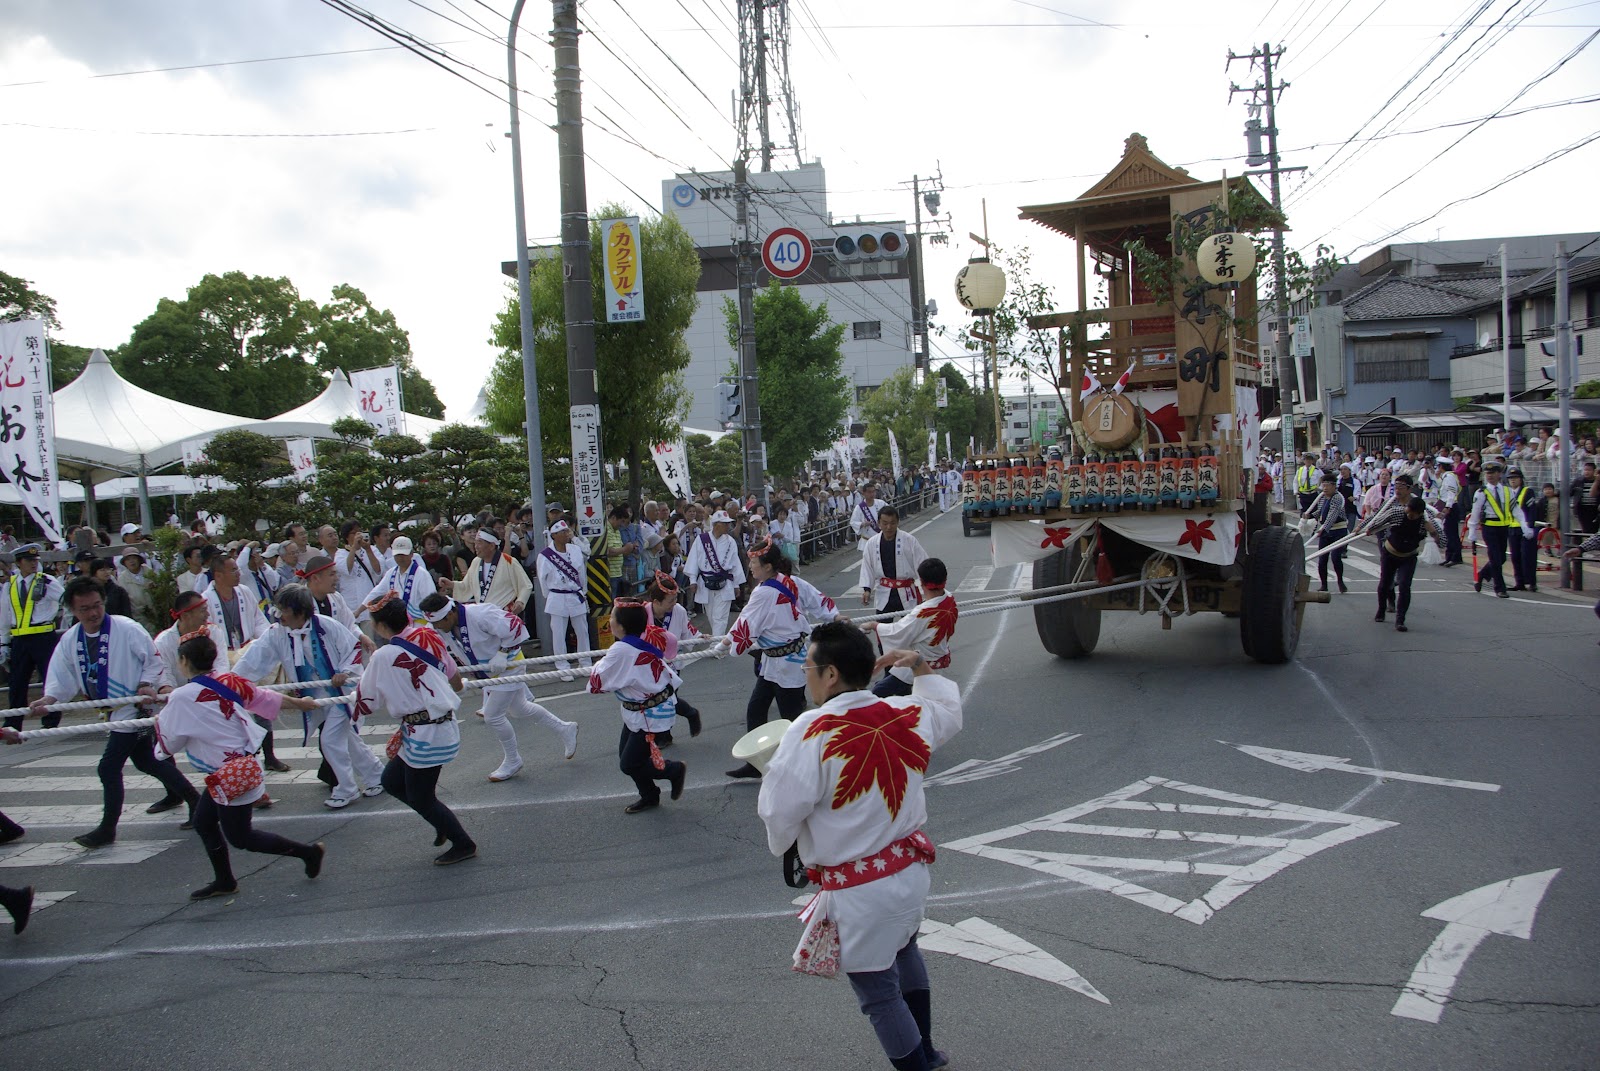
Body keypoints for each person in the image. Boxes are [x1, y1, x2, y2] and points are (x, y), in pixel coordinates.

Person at [757, 622, 963, 1071]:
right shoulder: (904, 712)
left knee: (878, 994)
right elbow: (947, 709)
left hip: (861, 890)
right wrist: (921, 666)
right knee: (905, 951)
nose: (805, 674)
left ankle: (918, 1063)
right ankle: (926, 1049)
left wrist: (785, 844)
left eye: (808, 665)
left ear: (830, 674)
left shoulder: (811, 728)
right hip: (909, 871)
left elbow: (780, 809)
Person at [153, 631, 326, 899]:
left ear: (184, 661)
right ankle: (224, 880)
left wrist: (159, 734)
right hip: (239, 767)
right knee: (203, 822)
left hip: (229, 774)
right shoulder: (229, 681)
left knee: (241, 837)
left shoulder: (181, 696)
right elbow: (265, 698)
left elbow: (170, 743)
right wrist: (300, 703)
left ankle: (308, 853)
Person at [32, 577, 200, 848]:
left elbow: (152, 659)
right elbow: (61, 676)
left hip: (133, 709)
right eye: (85, 608)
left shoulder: (126, 627)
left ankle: (107, 828)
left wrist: (147, 684)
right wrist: (50, 698)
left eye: (97, 605)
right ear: (74, 611)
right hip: (111, 711)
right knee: (147, 760)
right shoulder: (70, 639)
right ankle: (195, 800)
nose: (93, 612)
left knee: (108, 768)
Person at [352, 596, 478, 865]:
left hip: (425, 734)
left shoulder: (383, 656)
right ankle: (440, 821)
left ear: (380, 626)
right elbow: (454, 679)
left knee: (422, 797)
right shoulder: (427, 635)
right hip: (434, 728)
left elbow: (367, 702)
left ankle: (462, 842)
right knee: (391, 782)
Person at [234, 584, 384, 809]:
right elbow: (254, 660)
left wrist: (344, 672)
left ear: (300, 611)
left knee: (330, 740)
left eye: (284, 610)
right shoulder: (276, 633)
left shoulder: (326, 625)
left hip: (340, 694)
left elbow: (352, 648)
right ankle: (376, 775)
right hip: (313, 696)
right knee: (348, 739)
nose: (279, 615)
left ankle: (346, 788)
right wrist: (232, 681)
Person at [419, 592, 578, 782]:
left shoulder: (480, 613)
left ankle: (513, 760)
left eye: (438, 623)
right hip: (489, 671)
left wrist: (503, 652)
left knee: (493, 715)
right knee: (520, 709)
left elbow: (516, 626)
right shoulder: (440, 626)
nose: (436, 627)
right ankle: (565, 728)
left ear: (450, 614)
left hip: (509, 666)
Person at [722, 540, 839, 780]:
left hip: (788, 663)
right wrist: (835, 615)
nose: (750, 567)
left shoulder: (764, 592)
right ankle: (756, 763)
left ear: (767, 567)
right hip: (775, 662)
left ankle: (809, 765)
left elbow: (746, 624)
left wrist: (727, 646)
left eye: (753, 562)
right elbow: (817, 600)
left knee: (792, 718)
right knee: (757, 708)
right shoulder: (789, 581)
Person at [586, 599, 687, 815]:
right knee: (627, 756)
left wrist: (597, 664)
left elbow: (597, 681)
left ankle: (673, 770)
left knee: (629, 763)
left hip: (649, 713)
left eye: (612, 617)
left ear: (621, 626)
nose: (609, 620)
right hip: (643, 708)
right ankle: (649, 795)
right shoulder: (646, 635)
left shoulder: (621, 650)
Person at [1356, 476, 1444, 631]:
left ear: (1409, 489)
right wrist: (1363, 528)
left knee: (1404, 585)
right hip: (1390, 550)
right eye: (1395, 486)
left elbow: (1442, 540)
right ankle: (1381, 609)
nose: (1397, 489)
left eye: (1401, 486)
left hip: (1409, 555)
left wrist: (1435, 535)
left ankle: (1400, 619)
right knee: (1385, 583)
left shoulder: (1424, 517)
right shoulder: (1395, 510)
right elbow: (1375, 520)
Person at [863, 559, 957, 697]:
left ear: (922, 582)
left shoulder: (923, 612)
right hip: (937, 659)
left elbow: (896, 632)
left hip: (920, 662)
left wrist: (872, 625)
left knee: (878, 693)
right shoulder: (949, 599)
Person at [2, 544, 66, 731]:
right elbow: (5, 616)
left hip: (43, 636)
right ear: (19, 563)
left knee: (50, 678)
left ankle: (51, 720)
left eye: (35, 561)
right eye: (29, 561)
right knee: (17, 682)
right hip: (20, 639)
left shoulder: (46, 581)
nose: (33, 564)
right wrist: (3, 642)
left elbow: (66, 599)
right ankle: (13, 721)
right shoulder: (10, 585)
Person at [646, 572, 702, 744]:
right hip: (648, 666)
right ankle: (689, 714)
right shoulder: (642, 613)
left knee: (667, 699)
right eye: (670, 601)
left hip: (671, 665)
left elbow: (687, 632)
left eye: (675, 599)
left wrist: (699, 637)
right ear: (656, 602)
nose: (674, 604)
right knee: (655, 700)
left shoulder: (679, 611)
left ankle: (664, 735)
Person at [1467, 459, 1533, 599]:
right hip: (1489, 527)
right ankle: (1500, 588)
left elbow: (1515, 510)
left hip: (1504, 528)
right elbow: (1475, 512)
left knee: (1501, 558)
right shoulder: (1481, 492)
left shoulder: (1507, 491)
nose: (1490, 476)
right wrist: (1471, 531)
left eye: (1493, 473)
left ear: (1499, 474)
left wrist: (1524, 525)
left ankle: (1482, 575)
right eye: (1487, 473)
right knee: (1495, 558)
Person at [536, 520, 592, 682]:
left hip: (576, 594)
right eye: (563, 532)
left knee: (582, 630)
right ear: (554, 535)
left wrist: (583, 591)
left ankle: (585, 662)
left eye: (567, 531)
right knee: (559, 633)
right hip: (557, 596)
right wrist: (552, 594)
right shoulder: (545, 555)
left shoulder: (575, 550)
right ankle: (562, 667)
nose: (567, 534)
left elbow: (582, 573)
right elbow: (542, 580)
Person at [685, 510, 746, 639]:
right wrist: (692, 581)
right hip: (705, 581)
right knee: (712, 615)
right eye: (725, 524)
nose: (728, 526)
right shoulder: (702, 540)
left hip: (725, 582)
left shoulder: (730, 541)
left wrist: (736, 585)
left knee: (720, 617)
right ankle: (718, 642)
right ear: (716, 524)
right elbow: (694, 560)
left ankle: (716, 647)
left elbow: (735, 563)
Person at [859, 507, 929, 615]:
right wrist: (867, 589)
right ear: (879, 523)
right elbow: (867, 567)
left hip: (906, 591)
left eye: (892, 523)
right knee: (883, 628)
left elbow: (923, 563)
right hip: (884, 591)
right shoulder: (872, 543)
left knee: (909, 629)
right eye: (885, 523)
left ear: (898, 522)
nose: (889, 527)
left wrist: (928, 589)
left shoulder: (909, 540)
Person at [449, 530, 532, 614]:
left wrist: (520, 602)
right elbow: (466, 585)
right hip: (483, 614)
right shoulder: (476, 562)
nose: (476, 547)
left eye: (479, 543)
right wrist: (451, 584)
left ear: (491, 546)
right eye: (475, 543)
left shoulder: (509, 561)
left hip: (503, 614)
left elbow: (525, 585)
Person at [362, 535, 436, 622]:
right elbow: (376, 592)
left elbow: (431, 601)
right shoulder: (391, 573)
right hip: (399, 624)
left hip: (419, 624)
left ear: (411, 554)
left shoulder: (422, 574)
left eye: (404, 554)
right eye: (397, 555)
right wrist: (358, 611)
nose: (400, 558)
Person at [1307, 471, 1349, 594]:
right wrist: (1309, 515)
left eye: (1327, 485)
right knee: (1322, 559)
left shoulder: (1337, 497)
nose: (1324, 488)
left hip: (1338, 531)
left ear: (1334, 485)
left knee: (1336, 558)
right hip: (1325, 531)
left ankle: (1340, 581)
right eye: (1323, 485)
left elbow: (1332, 514)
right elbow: (1321, 512)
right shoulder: (1323, 497)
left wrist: (1323, 528)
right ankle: (1323, 585)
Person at [298, 552, 360, 633]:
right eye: (332, 574)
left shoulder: (336, 597)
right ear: (315, 578)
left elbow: (349, 624)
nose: (336, 578)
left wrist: (361, 636)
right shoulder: (299, 601)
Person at [336, 521, 383, 626]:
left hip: (369, 606)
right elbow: (346, 569)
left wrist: (368, 549)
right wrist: (353, 548)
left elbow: (378, 570)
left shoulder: (373, 550)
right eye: (354, 533)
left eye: (359, 532)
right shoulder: (340, 553)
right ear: (347, 536)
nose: (358, 535)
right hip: (350, 605)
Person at [1506, 469, 1539, 592]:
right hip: (1512, 528)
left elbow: (1532, 510)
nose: (1512, 480)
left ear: (1521, 479)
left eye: (1515, 477)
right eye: (1510, 478)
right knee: (1515, 557)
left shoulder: (1527, 491)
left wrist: (1529, 527)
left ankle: (1531, 582)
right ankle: (1519, 582)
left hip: (1525, 529)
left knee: (1528, 556)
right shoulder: (1507, 492)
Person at [1434, 457, 1464, 566]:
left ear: (1441, 467)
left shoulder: (1449, 477)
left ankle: (1456, 557)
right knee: (1448, 532)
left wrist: (1447, 507)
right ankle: (1449, 556)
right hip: (1448, 506)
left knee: (1452, 533)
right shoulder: (1446, 476)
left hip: (1451, 507)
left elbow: (1451, 493)